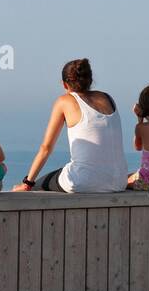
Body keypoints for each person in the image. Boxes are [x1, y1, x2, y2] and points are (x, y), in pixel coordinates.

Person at [14, 58, 128, 193]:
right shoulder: (107, 98)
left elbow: (46, 148)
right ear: (90, 80)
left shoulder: (64, 101)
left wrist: (28, 183)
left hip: (83, 181)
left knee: (38, 185)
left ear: (64, 84)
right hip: (119, 182)